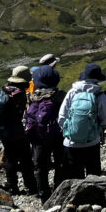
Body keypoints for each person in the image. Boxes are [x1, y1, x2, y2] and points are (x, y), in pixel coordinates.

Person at [57, 62, 106, 179]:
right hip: (92, 142)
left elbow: (61, 116)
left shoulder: (72, 92)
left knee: (74, 176)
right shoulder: (99, 95)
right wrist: (99, 129)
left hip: (71, 144)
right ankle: (94, 196)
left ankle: (77, 196)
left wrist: (69, 132)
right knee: (93, 173)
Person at [25, 64, 67, 200]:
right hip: (58, 134)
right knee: (60, 161)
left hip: (38, 136)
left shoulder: (33, 97)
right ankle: (59, 189)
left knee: (40, 165)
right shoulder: (61, 96)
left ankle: (43, 194)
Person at [1, 66, 39, 195]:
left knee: (10, 157)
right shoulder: (20, 93)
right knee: (26, 159)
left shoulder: (5, 88)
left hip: (3, 130)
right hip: (17, 130)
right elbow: (21, 113)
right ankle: (31, 186)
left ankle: (12, 185)